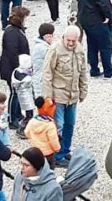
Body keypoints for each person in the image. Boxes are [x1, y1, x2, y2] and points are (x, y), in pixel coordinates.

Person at [42, 25, 88, 167]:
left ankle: (65, 150)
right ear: (63, 37)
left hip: (72, 95)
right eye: (68, 40)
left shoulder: (79, 49)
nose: (70, 43)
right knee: (58, 126)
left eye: (73, 41)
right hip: (58, 95)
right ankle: (55, 156)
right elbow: (47, 73)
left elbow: (83, 71)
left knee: (70, 124)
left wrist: (83, 89)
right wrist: (47, 97)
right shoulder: (54, 49)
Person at [75, 0, 112, 78]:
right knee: (105, 45)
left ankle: (94, 70)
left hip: (85, 19)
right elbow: (103, 3)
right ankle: (109, 71)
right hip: (97, 19)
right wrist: (108, 17)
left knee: (92, 44)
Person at [0, 6, 31, 129]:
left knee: (17, 93)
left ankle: (17, 115)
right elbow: (12, 52)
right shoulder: (12, 31)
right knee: (15, 93)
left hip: (16, 67)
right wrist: (19, 69)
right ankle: (12, 118)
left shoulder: (15, 29)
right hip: (13, 68)